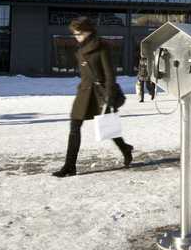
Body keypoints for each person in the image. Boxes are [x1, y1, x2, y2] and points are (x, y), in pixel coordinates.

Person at [53, 17, 133, 177]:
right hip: (84, 92)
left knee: (108, 127)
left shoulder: (101, 47)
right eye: (74, 34)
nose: (76, 36)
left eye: (79, 33)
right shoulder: (80, 49)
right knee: (74, 127)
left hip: (100, 94)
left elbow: (110, 74)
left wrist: (109, 95)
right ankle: (69, 166)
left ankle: (125, 149)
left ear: (88, 31)